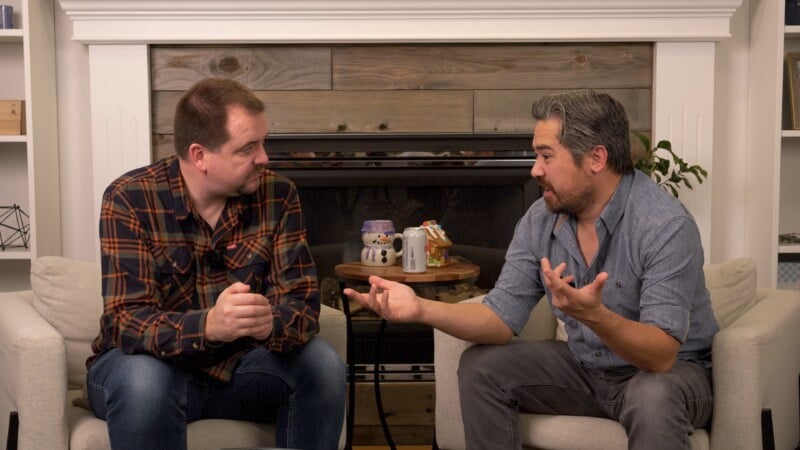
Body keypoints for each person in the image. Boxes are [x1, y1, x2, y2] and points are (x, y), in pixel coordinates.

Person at [344, 90, 719, 450]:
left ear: (596, 158)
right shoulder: (541, 219)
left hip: (669, 376)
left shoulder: (663, 225)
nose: (535, 169)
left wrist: (595, 316)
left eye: (546, 156)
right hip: (586, 369)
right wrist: (421, 309)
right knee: (482, 366)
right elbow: (498, 317)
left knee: (652, 394)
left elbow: (661, 355)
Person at [86, 78, 346, 450]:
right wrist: (207, 325)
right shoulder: (129, 198)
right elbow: (126, 321)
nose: (264, 158)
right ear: (199, 156)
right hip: (145, 370)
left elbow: (303, 308)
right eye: (248, 148)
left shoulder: (278, 194)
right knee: (146, 379)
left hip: (241, 371)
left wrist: (268, 321)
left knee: (321, 362)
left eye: (263, 142)